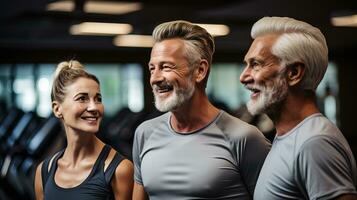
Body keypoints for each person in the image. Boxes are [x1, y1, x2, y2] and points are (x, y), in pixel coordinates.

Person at [132, 20, 271, 200]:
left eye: (166, 67)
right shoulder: (145, 133)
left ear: (200, 70)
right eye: (152, 69)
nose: (155, 78)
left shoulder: (245, 138)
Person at [240, 16, 357, 199]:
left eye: (256, 64)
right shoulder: (290, 136)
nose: (243, 77)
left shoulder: (315, 142)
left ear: (293, 73)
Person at [34, 60, 134, 200]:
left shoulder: (119, 169)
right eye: (82, 98)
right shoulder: (44, 171)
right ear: (57, 109)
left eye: (98, 99)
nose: (94, 107)